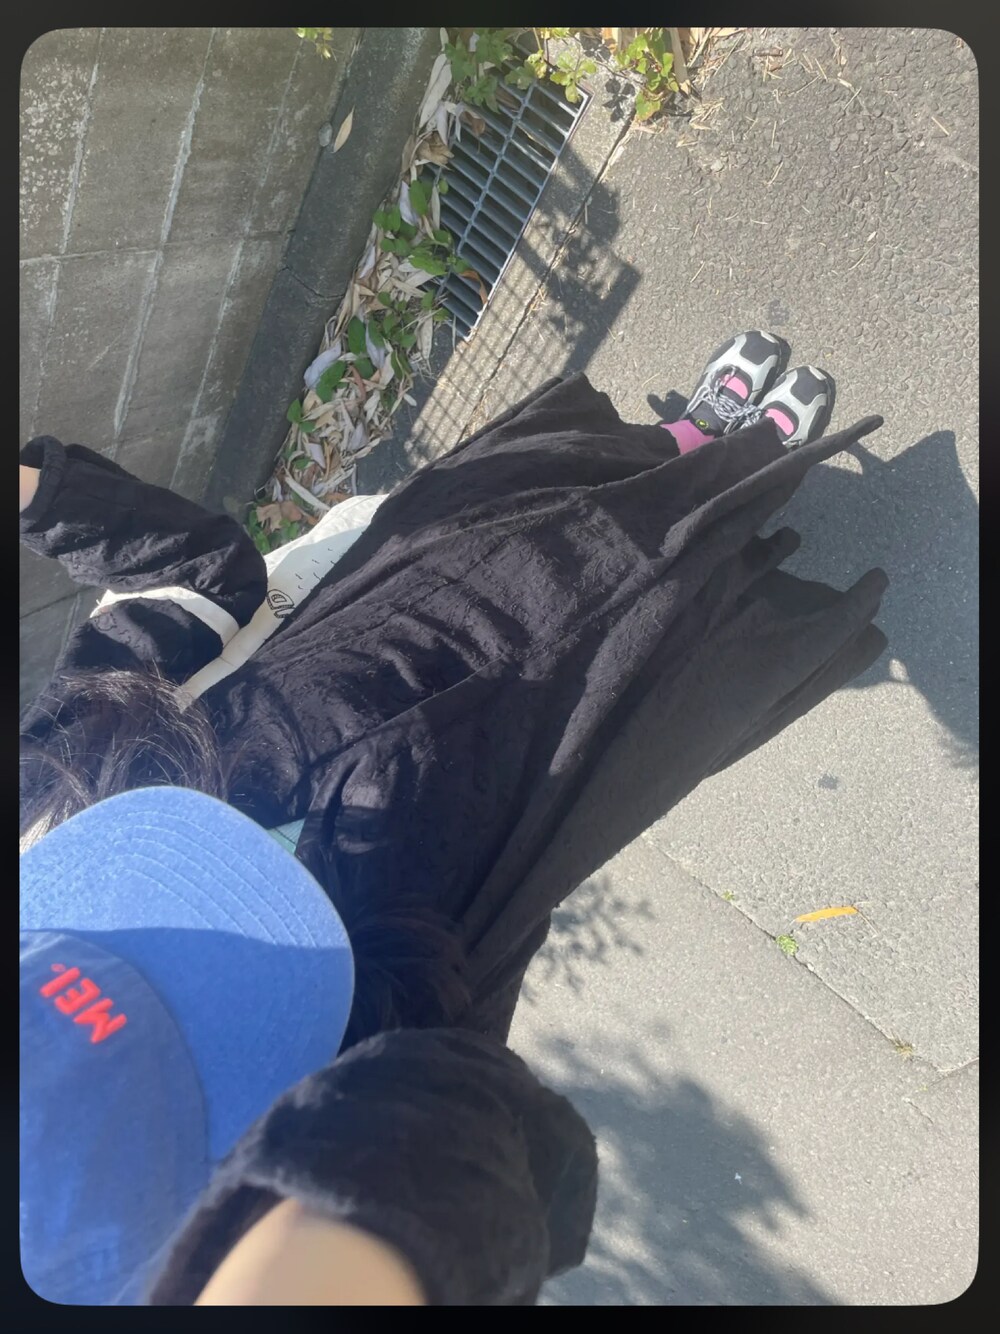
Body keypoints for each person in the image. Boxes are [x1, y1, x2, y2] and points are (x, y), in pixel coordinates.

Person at [20, 332, 890, 1302]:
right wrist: (352, 1237)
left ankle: (689, 437)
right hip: (513, 765)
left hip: (412, 604)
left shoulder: (45, 803)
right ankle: (752, 467)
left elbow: (199, 579)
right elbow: (520, 1161)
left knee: (564, 514)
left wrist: (36, 496)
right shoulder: (362, 1057)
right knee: (650, 612)